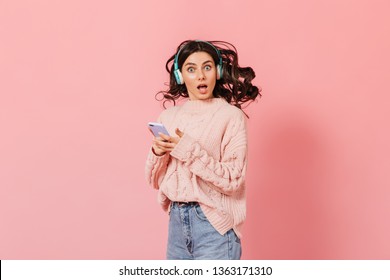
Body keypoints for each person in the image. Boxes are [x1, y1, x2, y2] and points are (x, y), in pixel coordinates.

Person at [145, 40, 261, 260]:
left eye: (207, 67)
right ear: (180, 76)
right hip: (177, 225)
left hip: (214, 227)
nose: (200, 75)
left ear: (217, 72)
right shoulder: (168, 117)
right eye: (191, 69)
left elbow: (233, 180)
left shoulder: (230, 116)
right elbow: (153, 180)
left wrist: (187, 150)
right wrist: (158, 154)